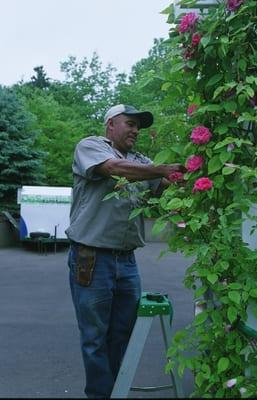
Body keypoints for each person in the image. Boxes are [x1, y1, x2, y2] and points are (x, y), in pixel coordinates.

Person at [65, 104, 186, 398]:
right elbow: (112, 168)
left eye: (138, 127)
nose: (135, 131)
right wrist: (158, 169)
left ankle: (116, 391)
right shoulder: (92, 146)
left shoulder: (141, 161)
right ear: (110, 124)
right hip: (90, 258)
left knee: (123, 333)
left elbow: (167, 185)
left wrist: (192, 171)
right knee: (95, 336)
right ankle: (100, 395)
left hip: (126, 260)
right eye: (129, 124)